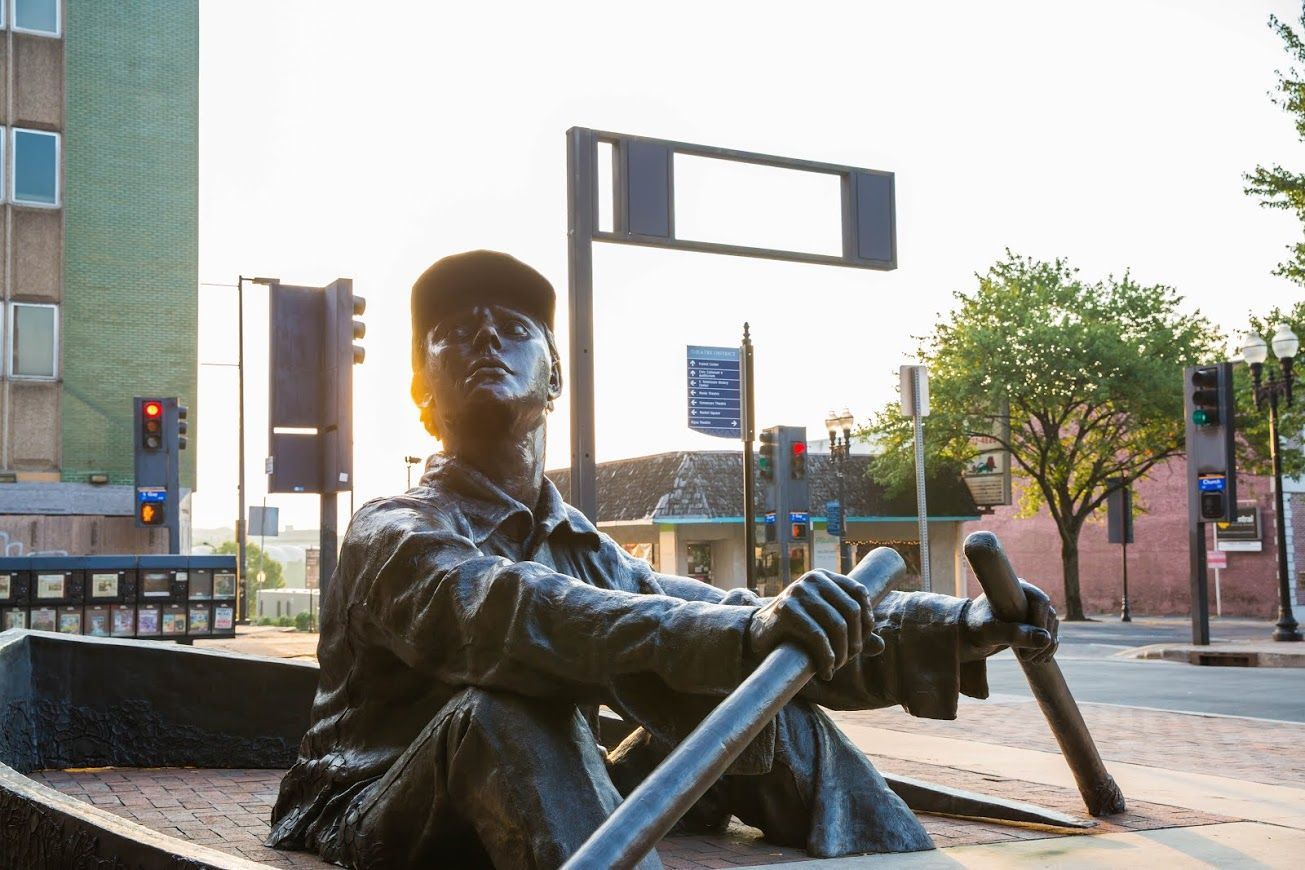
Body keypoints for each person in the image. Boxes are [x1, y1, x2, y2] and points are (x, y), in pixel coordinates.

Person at [268, 250, 1059, 869]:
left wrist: (957, 626)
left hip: (526, 804)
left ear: (555, 379)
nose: (481, 337)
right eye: (452, 332)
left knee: (750, 694)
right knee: (502, 711)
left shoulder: (579, 544)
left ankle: (895, 859)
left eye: (511, 328)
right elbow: (513, 616)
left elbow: (713, 618)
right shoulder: (394, 531)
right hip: (369, 807)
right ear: (418, 390)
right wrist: (740, 638)